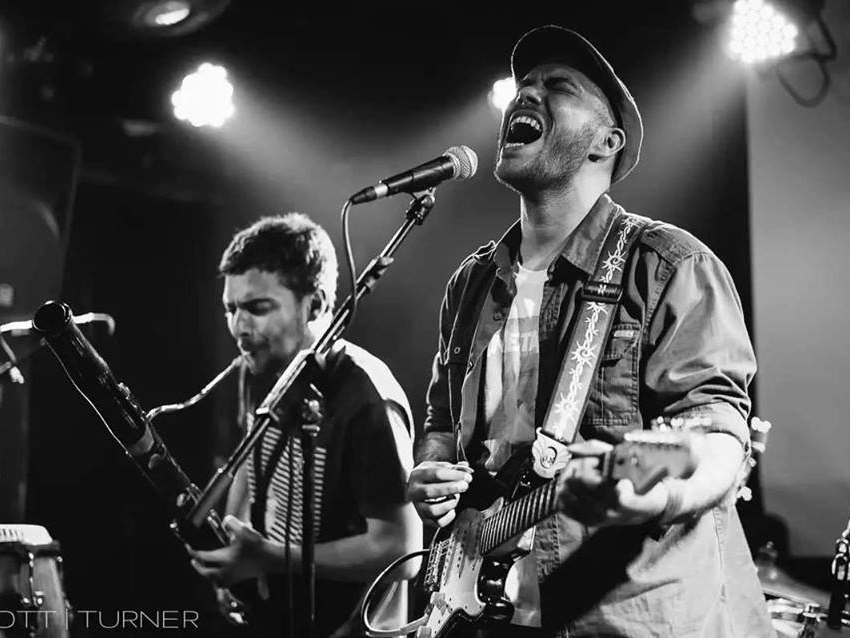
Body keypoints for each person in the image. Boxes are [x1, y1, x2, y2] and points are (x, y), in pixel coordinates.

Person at [407, 25, 774, 637]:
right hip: (482, 612)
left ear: (608, 141)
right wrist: (432, 473)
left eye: (557, 86)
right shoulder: (470, 283)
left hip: (624, 616)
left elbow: (715, 435)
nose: (527, 93)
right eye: (523, 84)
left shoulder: (669, 265)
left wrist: (651, 493)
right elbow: (442, 422)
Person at [189, 213, 421, 637]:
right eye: (230, 309)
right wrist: (236, 557)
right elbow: (250, 457)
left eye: (257, 308)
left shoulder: (366, 397)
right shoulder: (258, 367)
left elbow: (401, 546)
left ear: (314, 304)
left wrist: (270, 558)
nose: (240, 328)